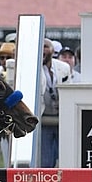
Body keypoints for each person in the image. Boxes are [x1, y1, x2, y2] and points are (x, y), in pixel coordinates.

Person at [40, 38, 72, 168]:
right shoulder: (33, 69)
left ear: (53, 50)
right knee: (46, 161)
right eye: (41, 47)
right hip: (43, 118)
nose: (43, 50)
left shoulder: (63, 68)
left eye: (46, 47)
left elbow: (69, 91)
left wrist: (64, 103)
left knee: (65, 159)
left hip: (62, 119)